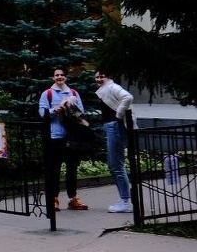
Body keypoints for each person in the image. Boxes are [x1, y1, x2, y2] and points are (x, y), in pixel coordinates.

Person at [38, 67, 89, 211]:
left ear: (66, 78)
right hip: (55, 136)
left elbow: (81, 112)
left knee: (72, 168)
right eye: (57, 75)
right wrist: (56, 110)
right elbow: (43, 113)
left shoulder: (73, 93)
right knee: (54, 168)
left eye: (62, 75)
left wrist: (70, 109)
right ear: (53, 78)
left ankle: (73, 198)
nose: (59, 77)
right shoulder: (47, 94)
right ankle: (53, 199)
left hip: (71, 136)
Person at [94, 69, 136, 213]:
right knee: (114, 166)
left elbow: (128, 97)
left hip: (115, 127)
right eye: (97, 77)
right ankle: (124, 199)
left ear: (108, 77)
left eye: (102, 76)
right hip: (111, 126)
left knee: (116, 165)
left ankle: (125, 202)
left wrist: (118, 114)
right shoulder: (104, 89)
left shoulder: (112, 87)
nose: (99, 79)